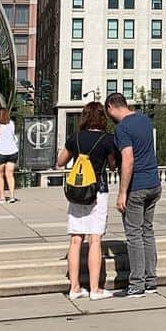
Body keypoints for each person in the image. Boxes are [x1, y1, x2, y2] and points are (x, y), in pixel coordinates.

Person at [57, 101, 117, 302]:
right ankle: (95, 289)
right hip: (97, 191)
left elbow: (60, 161)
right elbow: (113, 165)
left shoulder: (75, 138)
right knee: (95, 239)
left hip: (77, 192)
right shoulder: (107, 139)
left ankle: (74, 287)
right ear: (102, 118)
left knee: (75, 239)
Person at [107, 92, 161, 296]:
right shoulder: (144, 119)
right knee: (147, 231)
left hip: (136, 187)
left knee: (134, 235)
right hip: (154, 184)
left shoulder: (122, 128)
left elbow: (128, 159)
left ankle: (137, 284)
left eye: (108, 111)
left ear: (111, 106)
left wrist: (122, 193)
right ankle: (150, 281)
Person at [0, 108, 20, 203]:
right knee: (10, 175)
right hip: (12, 151)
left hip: (0, 152)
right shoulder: (11, 123)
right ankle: (12, 196)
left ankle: (2, 197)